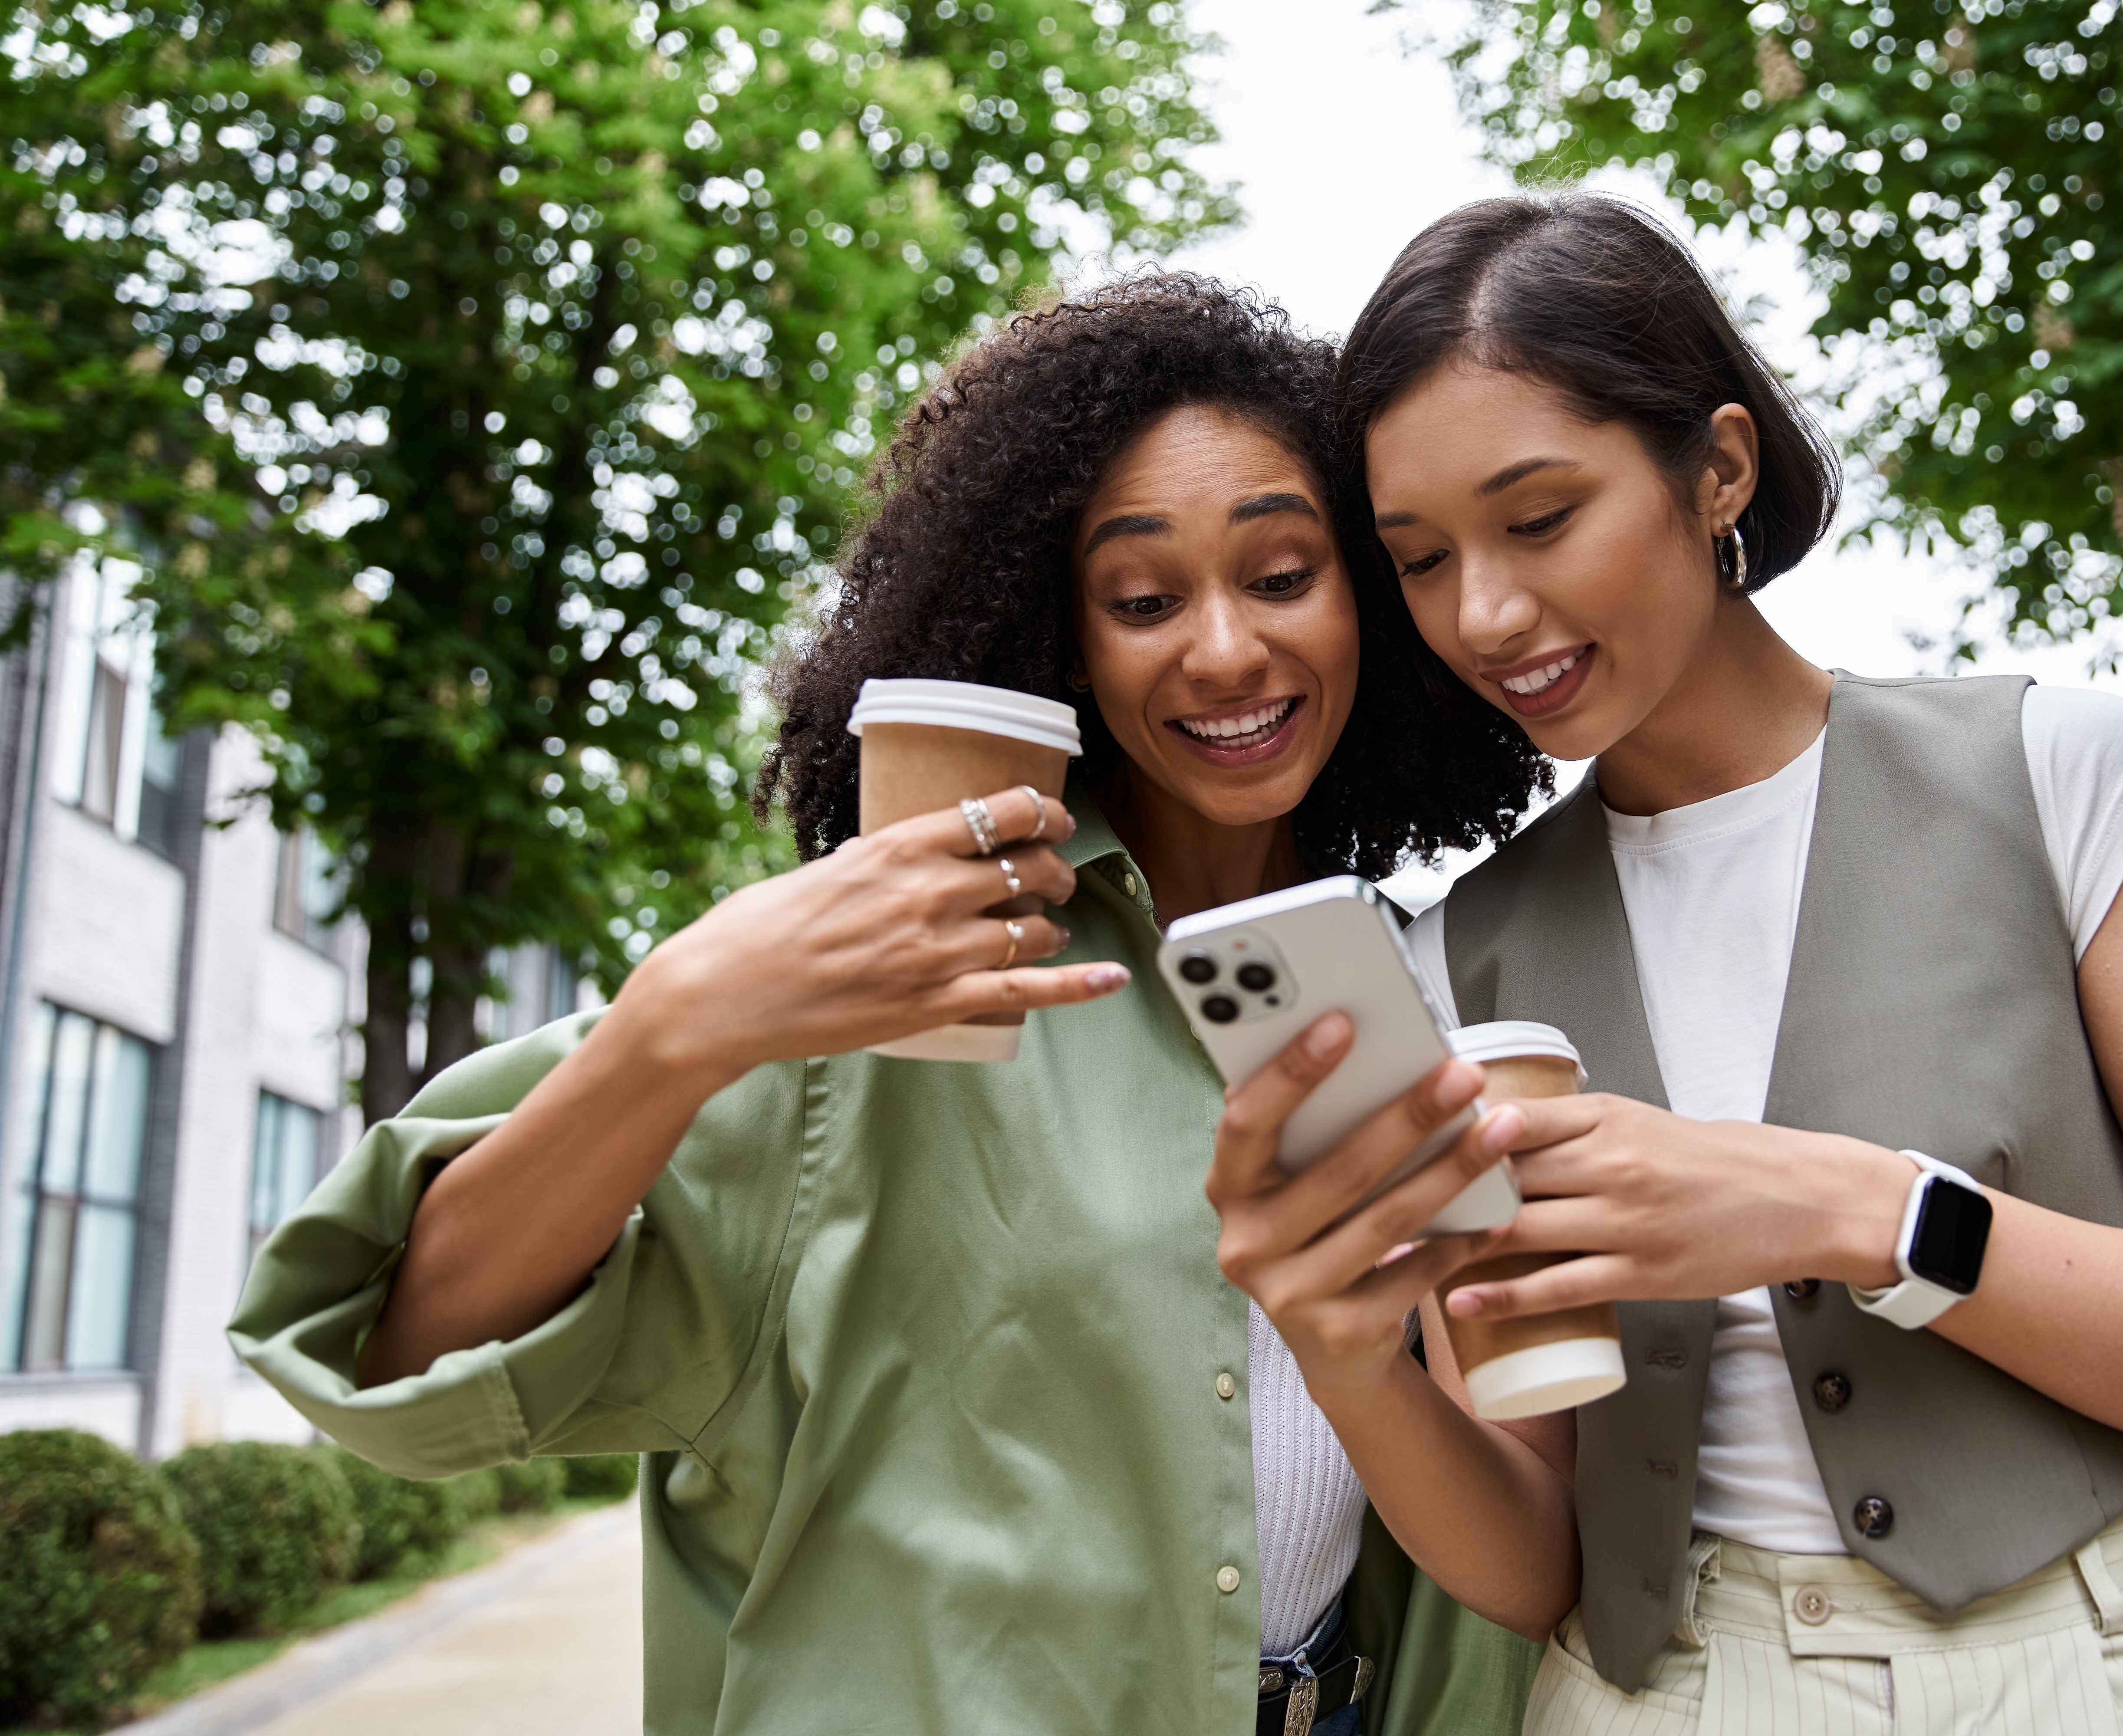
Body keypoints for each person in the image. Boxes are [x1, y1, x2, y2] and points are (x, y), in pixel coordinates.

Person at [229, 275, 1554, 1736]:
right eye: (1144, 599)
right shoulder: (885, 987)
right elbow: (399, 1352)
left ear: (1365, 596)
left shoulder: (1427, 987)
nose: (1226, 649)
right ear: (1064, 642)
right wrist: (674, 1022)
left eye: (1284, 574)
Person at [1233, 192, 2123, 1736]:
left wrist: (1851, 1209)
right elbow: (1535, 1559)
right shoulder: (1460, 956)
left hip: (2097, 1681)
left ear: (1719, 468)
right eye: (1424, 559)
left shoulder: (2064, 779)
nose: (1485, 613)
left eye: (1540, 518)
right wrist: (1347, 1362)